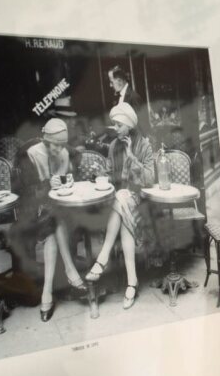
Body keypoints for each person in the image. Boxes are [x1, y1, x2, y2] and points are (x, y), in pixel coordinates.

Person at [10, 118, 86, 321]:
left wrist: (70, 178)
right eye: (55, 145)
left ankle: (47, 293)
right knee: (56, 219)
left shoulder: (63, 151)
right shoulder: (29, 155)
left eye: (62, 145)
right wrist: (46, 185)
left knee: (55, 223)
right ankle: (70, 271)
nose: (59, 150)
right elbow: (21, 193)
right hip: (32, 214)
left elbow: (74, 163)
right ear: (45, 140)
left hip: (54, 214)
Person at [85, 102, 154, 309]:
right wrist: (99, 173)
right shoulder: (114, 145)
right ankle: (132, 282)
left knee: (122, 197)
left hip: (140, 199)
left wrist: (132, 156)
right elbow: (109, 173)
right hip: (121, 202)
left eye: (118, 125)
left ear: (129, 125)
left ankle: (102, 258)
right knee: (122, 201)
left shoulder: (144, 145)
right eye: (114, 124)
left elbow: (150, 179)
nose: (115, 128)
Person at [108, 65, 149, 135]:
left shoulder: (134, 97)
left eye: (111, 82)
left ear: (119, 81)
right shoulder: (118, 97)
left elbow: (143, 125)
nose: (110, 85)